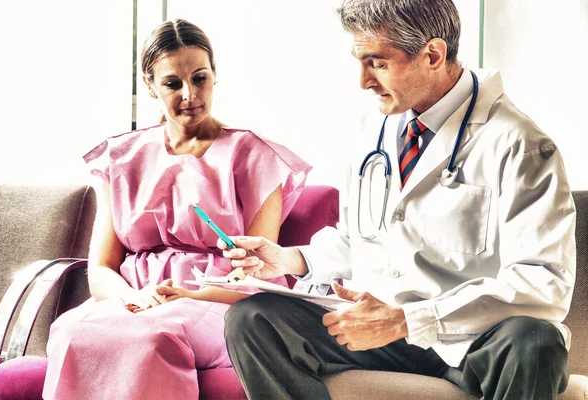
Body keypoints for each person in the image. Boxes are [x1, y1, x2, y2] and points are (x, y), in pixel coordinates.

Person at [221, 1, 576, 399]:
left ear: (433, 55)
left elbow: (544, 284)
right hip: (381, 334)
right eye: (359, 61)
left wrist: (409, 319)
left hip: (471, 340)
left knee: (534, 341)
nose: (363, 80)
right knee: (253, 320)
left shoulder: (520, 145)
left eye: (377, 62)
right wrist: (290, 259)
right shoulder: (374, 126)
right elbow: (364, 239)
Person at [42, 19, 311, 400]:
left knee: (153, 336)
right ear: (150, 86)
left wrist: (187, 297)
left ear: (215, 75)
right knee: (71, 330)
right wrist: (131, 298)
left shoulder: (254, 157)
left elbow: (257, 275)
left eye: (200, 78)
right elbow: (100, 268)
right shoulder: (120, 158)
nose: (190, 94)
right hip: (134, 299)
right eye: (172, 84)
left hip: (216, 302)